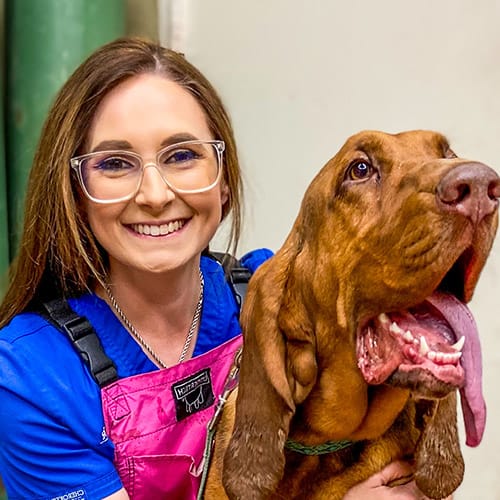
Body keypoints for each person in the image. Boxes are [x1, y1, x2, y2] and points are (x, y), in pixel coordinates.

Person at [0, 37, 437, 499]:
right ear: (76, 194)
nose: (154, 195)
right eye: (115, 163)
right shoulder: (33, 376)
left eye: (182, 156)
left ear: (223, 181)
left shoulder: (283, 300)